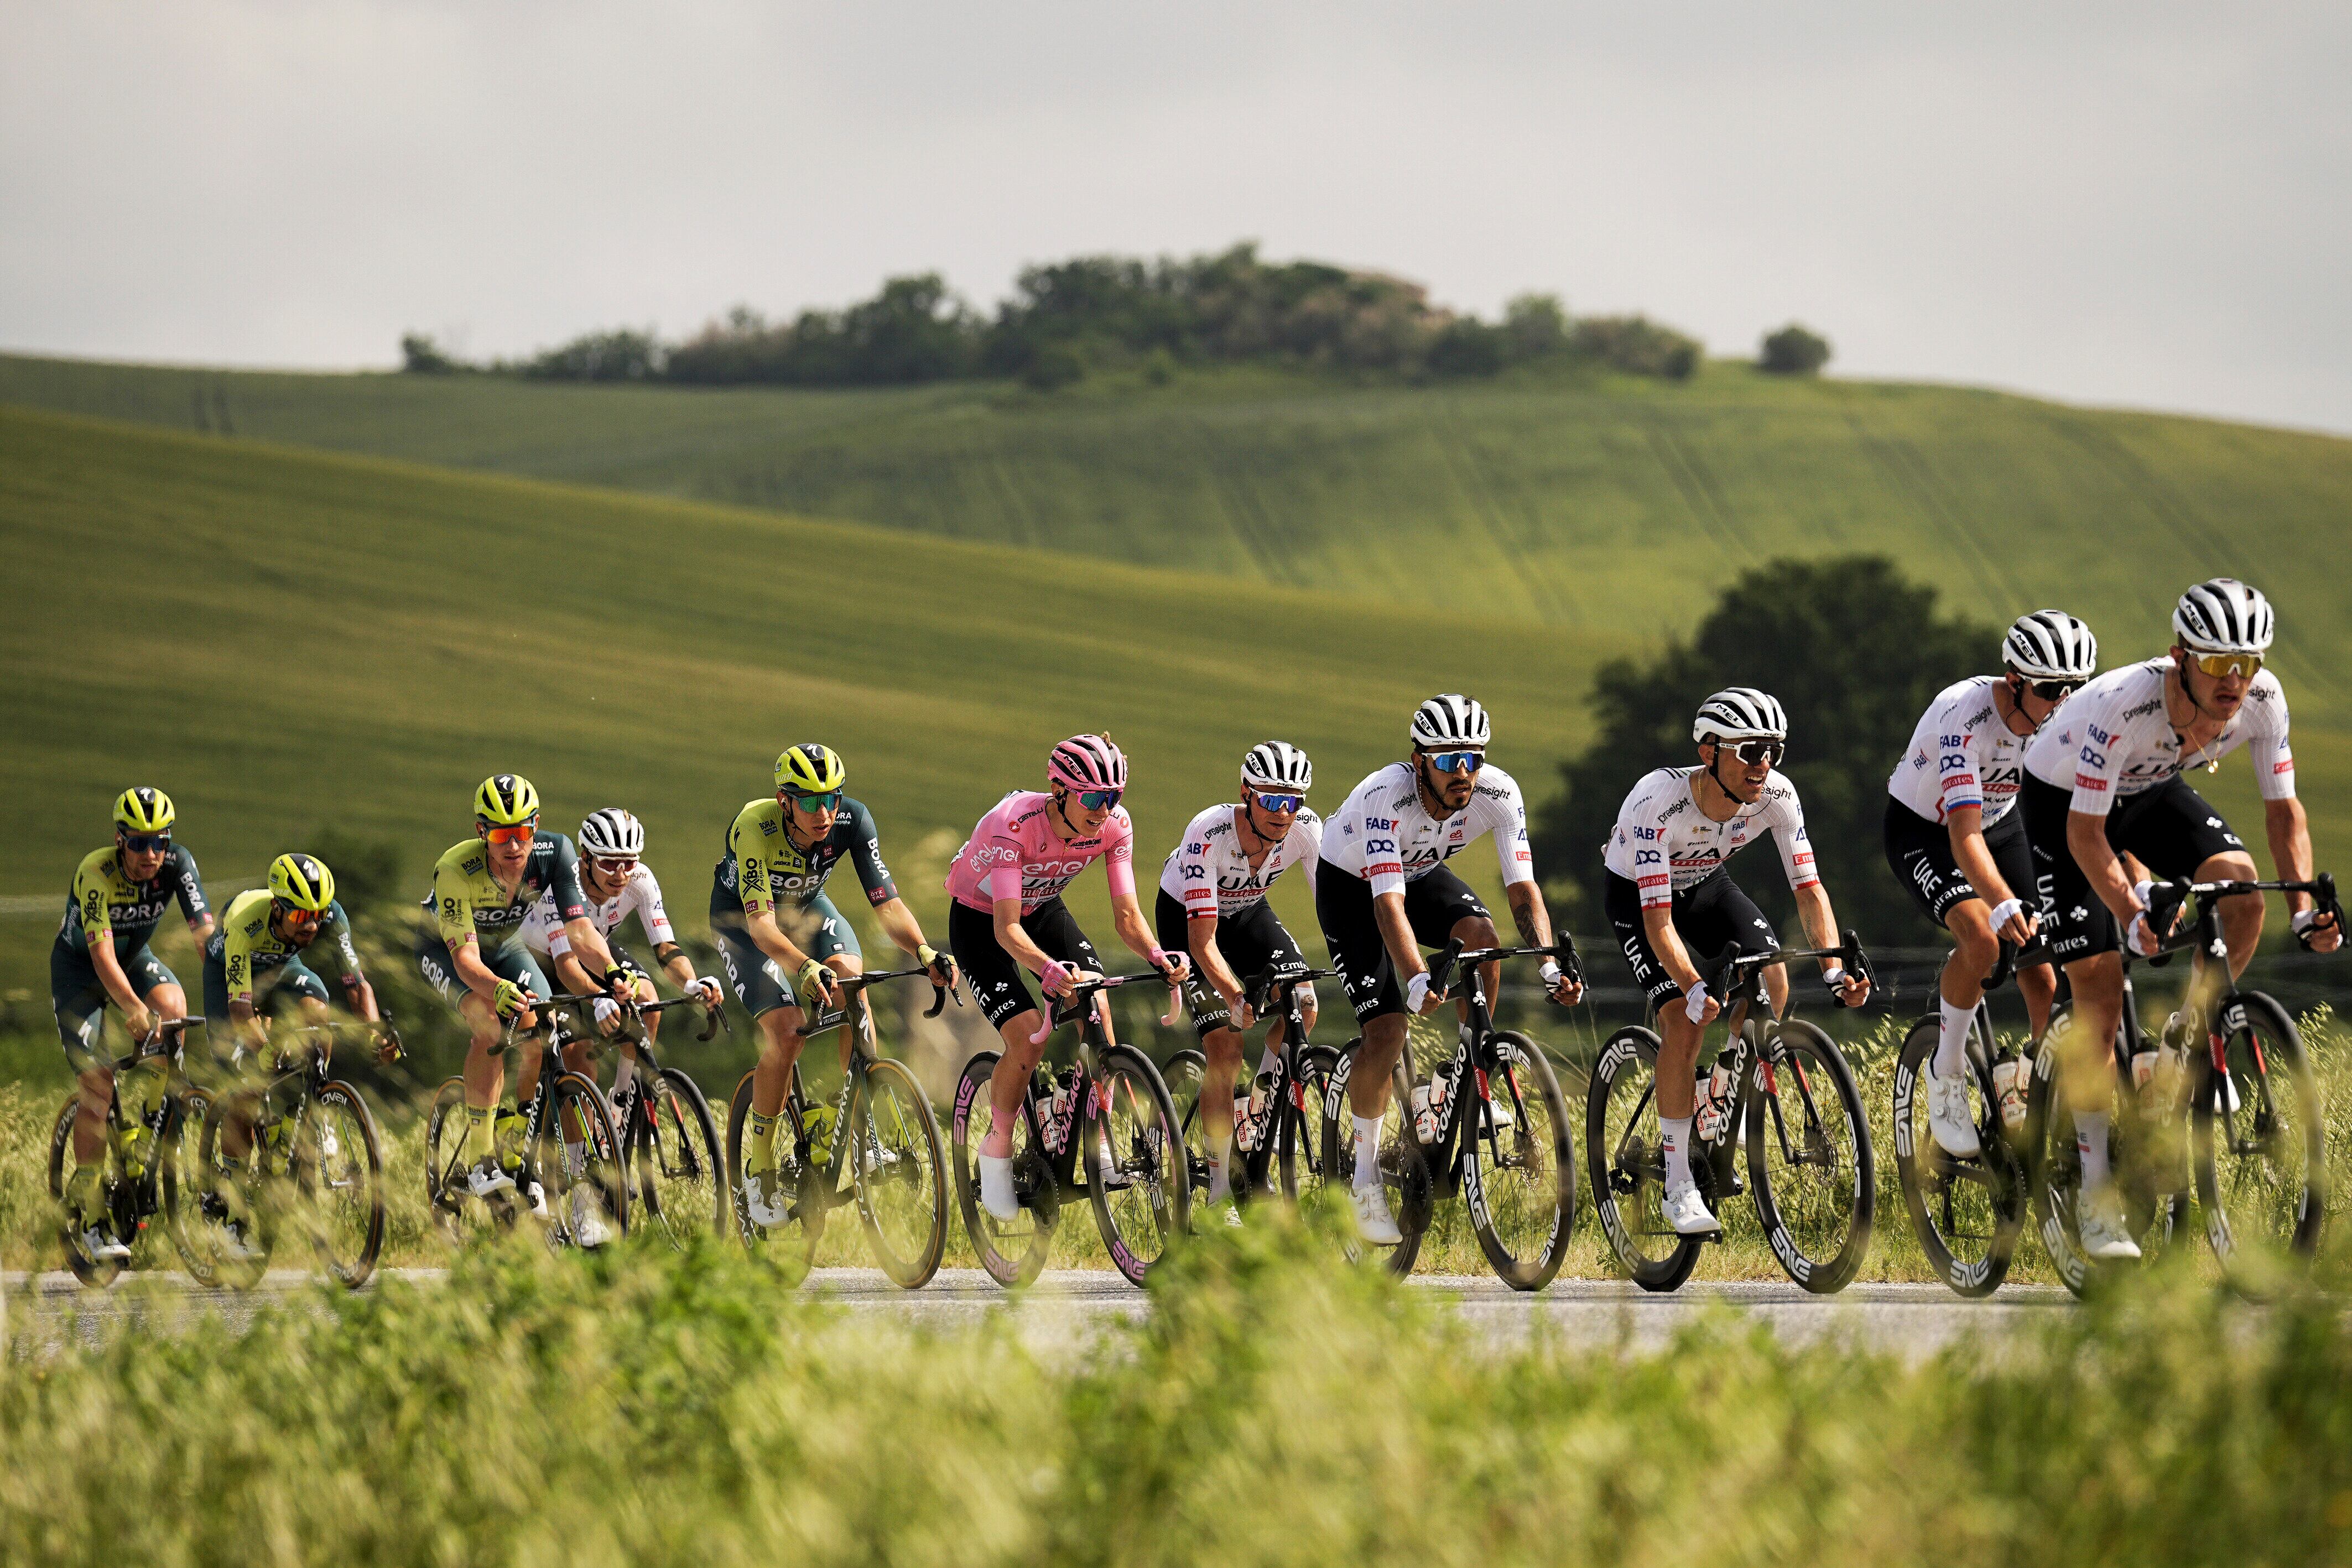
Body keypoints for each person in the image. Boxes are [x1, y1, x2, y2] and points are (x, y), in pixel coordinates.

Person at [2020, 578, 2339, 1262]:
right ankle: (2095, 1194)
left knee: (2243, 895)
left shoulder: (2263, 699)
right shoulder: (2124, 705)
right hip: (2062, 806)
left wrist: (2304, 911)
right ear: (2180, 658)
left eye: (2247, 662)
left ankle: (2184, 1040)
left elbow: (2283, 813)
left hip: (2149, 789)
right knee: (2098, 986)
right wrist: (2130, 910)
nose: (2234, 680)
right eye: (2218, 663)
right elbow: (2086, 835)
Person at [1601, 688, 1872, 1237]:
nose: (1762, 763)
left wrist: (1833, 970)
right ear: (1709, 752)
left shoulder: (1777, 795)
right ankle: (1678, 1184)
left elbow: (1809, 890)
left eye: (1772, 750)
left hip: (1705, 882)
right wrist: (1692, 986)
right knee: (1682, 1019)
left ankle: (1719, 1091)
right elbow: (1658, 925)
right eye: (1749, 750)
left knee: (1772, 978)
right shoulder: (1658, 801)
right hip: (1638, 897)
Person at [1314, 696, 1581, 1245]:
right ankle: (1363, 1179)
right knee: (1388, 1030)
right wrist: (1416, 976)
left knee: (1484, 940)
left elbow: (1523, 890)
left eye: (1472, 758)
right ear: (1419, 761)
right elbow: (1387, 905)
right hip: (1352, 889)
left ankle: (1461, 1076)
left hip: (1419, 873)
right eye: (1446, 760)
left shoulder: (1498, 793)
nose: (1463, 772)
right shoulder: (1385, 796)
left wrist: (1550, 965)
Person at [712, 746, 956, 1229]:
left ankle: (860, 1129)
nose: (824, 813)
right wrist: (803, 966)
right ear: (784, 801)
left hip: (808, 906)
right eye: (810, 802)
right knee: (787, 1033)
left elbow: (888, 904)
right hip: (745, 922)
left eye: (832, 799)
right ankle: (760, 1168)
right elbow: (761, 927)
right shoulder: (755, 826)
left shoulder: (853, 820)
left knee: (852, 984)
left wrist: (924, 951)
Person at [946, 734, 1185, 1222]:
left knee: (1096, 1003)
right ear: (1059, 792)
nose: (1105, 809)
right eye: (1094, 797)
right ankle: (997, 1146)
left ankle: (1099, 1140)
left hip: (1041, 908)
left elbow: (1127, 914)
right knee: (1027, 1038)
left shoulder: (1115, 825)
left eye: (1114, 796)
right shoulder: (1014, 825)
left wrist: (1157, 954)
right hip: (981, 920)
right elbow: (1006, 929)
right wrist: (1048, 969)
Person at [1884, 610, 2097, 1154]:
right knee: (1983, 938)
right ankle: (1946, 1071)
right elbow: (1963, 835)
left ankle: (2038, 1099)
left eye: (2073, 689)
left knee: (2043, 973)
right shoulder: (1965, 715)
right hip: (1926, 832)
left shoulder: (2063, 719)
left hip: (2001, 825)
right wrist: (2000, 900)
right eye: (2050, 689)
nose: (2062, 702)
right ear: (2014, 681)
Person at [415, 774, 632, 1214]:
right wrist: (498, 989)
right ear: (482, 832)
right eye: (500, 835)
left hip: (504, 945)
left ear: (536, 825)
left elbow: (579, 930)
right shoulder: (456, 869)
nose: (513, 845)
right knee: (490, 1024)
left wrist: (610, 973)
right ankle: (480, 1158)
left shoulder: (555, 852)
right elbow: (467, 960)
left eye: (521, 832)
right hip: (447, 951)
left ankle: (516, 1134)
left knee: (544, 1027)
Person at [1155, 742, 1323, 1217]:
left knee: (1304, 1005)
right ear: (1246, 793)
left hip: (1248, 912)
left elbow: (1334, 908)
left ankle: (1259, 1107)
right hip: (1188, 919)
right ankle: (1217, 1192)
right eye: (1271, 799)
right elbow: (1202, 941)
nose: (1283, 812)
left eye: (1293, 801)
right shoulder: (1208, 832)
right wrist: (1235, 996)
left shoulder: (1307, 830)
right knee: (1227, 1046)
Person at [49, 787, 215, 1262]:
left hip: (134, 958)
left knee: (174, 1008)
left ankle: (148, 1129)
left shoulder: (178, 864)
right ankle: (92, 1213)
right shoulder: (96, 871)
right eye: (139, 843)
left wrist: (232, 997)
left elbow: (206, 939)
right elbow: (101, 955)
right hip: (80, 971)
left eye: (160, 842)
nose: (151, 853)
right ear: (120, 840)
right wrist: (132, 1008)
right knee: (98, 1084)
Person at [522, 808, 722, 1115]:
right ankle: (574, 1147)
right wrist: (600, 999)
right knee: (579, 1059)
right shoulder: (561, 886)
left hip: (596, 950)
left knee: (647, 1002)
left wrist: (692, 983)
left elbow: (665, 947)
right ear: (586, 858)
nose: (620, 875)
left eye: (629, 863)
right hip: (547, 961)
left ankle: (621, 1103)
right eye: (609, 863)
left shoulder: (640, 880)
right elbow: (566, 965)